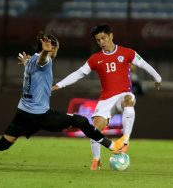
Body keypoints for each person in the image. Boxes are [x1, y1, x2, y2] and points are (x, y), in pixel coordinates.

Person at [0, 32, 126, 165]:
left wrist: (34, 57)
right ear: (52, 48)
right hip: (39, 115)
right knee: (81, 121)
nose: (56, 52)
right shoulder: (45, 60)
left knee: (4, 143)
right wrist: (45, 52)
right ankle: (112, 146)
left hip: (23, 113)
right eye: (56, 48)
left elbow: (35, 62)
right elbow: (43, 60)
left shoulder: (30, 61)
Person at [52, 24, 162, 170]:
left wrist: (157, 78)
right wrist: (59, 85)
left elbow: (144, 65)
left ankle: (125, 140)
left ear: (111, 36)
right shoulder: (95, 59)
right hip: (106, 100)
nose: (101, 42)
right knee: (95, 129)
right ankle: (96, 160)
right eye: (98, 40)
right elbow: (78, 73)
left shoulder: (127, 53)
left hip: (123, 94)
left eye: (103, 38)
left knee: (129, 100)